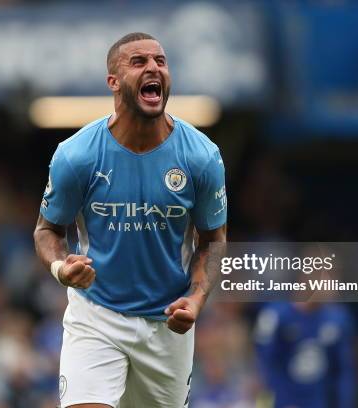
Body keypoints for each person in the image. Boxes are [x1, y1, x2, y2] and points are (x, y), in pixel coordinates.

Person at [33, 32, 227, 408]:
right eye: (138, 62)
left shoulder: (202, 157)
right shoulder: (77, 156)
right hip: (97, 314)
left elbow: (213, 240)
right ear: (113, 82)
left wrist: (197, 298)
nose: (153, 67)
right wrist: (60, 268)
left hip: (167, 324)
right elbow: (47, 230)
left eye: (160, 61)